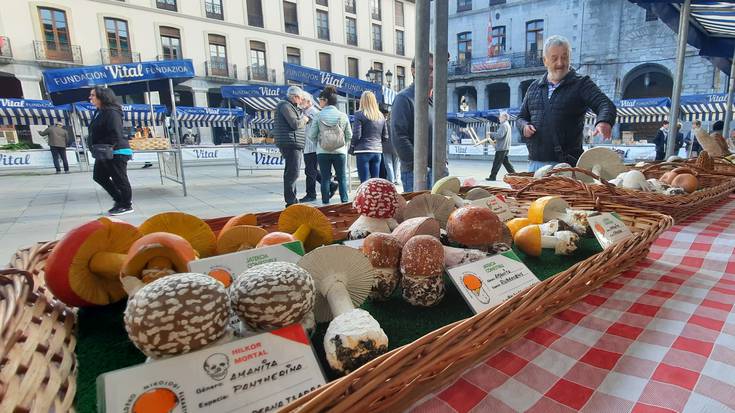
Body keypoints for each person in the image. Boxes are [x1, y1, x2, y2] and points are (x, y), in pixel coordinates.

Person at [516, 35, 616, 172]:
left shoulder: (582, 84)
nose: (560, 63)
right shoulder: (534, 87)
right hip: (535, 165)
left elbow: (605, 104)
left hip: (566, 166)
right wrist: (524, 126)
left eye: (564, 57)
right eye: (554, 58)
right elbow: (521, 117)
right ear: (545, 61)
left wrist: (604, 121)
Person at [392, 54, 442, 192]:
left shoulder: (435, 101)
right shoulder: (404, 98)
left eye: (436, 70)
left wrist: (444, 162)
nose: (433, 74)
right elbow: (399, 136)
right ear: (414, 71)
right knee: (419, 213)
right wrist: (418, 166)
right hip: (416, 173)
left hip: (436, 170)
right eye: (429, 69)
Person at [88, 86, 134, 216]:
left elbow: (116, 133)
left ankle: (126, 204)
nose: (90, 97)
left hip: (115, 151)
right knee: (99, 176)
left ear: (102, 97)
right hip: (104, 151)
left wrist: (107, 148)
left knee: (119, 178)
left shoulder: (112, 112)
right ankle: (119, 200)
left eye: (93, 95)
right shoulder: (100, 111)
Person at [308, 86, 352, 204]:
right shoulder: (342, 116)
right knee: (342, 178)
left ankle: (326, 203)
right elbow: (349, 135)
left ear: (326, 100)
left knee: (325, 179)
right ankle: (345, 202)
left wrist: (321, 141)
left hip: (323, 151)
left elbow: (311, 135)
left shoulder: (318, 115)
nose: (319, 101)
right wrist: (341, 143)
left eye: (320, 99)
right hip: (340, 152)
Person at [273, 85, 309, 207]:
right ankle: (290, 201)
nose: (301, 101)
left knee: (293, 172)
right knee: (292, 172)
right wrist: (304, 119)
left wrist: (300, 110)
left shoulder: (289, 106)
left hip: (292, 142)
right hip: (290, 143)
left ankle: (292, 199)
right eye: (300, 98)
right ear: (295, 97)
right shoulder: (285, 106)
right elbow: (295, 124)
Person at [299, 91, 338, 202]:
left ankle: (311, 194)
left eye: (302, 100)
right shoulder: (304, 112)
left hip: (312, 146)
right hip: (308, 145)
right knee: (311, 170)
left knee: (310, 171)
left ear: (308, 101)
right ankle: (330, 185)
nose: (300, 102)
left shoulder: (313, 112)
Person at [350, 91, 388, 183]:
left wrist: (351, 146)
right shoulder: (381, 116)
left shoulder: (359, 114)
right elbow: (385, 136)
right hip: (377, 151)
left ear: (362, 101)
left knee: (364, 182)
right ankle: (375, 197)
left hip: (363, 150)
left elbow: (357, 135)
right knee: (375, 182)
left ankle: (365, 197)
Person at [485, 112, 516, 181]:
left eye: (500, 117)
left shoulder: (504, 125)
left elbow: (499, 135)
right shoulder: (507, 124)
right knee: (506, 163)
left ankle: (492, 177)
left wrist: (490, 133)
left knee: (496, 163)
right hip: (505, 147)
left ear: (504, 117)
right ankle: (514, 175)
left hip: (501, 148)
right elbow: (502, 136)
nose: (499, 118)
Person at [381, 109, 400, 184]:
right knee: (397, 164)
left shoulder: (384, 123)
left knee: (388, 164)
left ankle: (391, 179)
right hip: (397, 147)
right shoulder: (398, 123)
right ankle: (396, 179)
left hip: (386, 146)